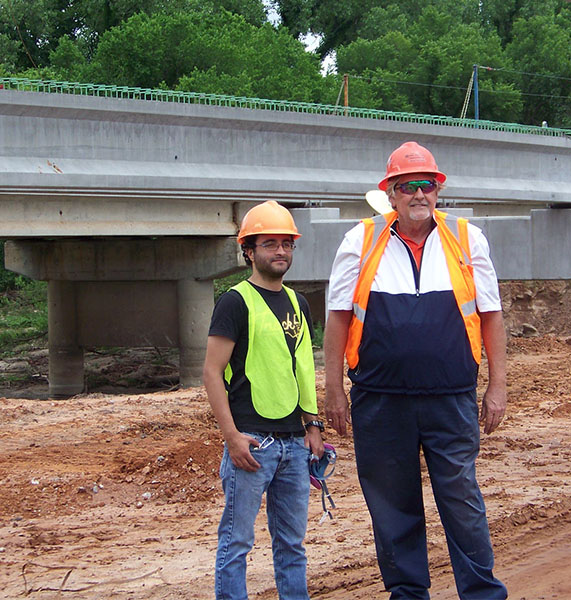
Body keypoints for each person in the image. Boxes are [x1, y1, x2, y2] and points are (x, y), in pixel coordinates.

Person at [324, 141, 508, 599]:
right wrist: (332, 390)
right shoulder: (361, 240)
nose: (418, 194)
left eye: (426, 185)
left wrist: (498, 386)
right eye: (407, 187)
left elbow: (492, 316)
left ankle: (482, 592)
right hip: (380, 400)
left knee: (461, 500)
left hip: (451, 398)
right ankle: (408, 594)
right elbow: (337, 317)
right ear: (390, 193)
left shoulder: (468, 238)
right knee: (392, 507)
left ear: (438, 191)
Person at [203, 200, 325, 600]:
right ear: (249, 251)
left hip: (294, 444)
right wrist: (232, 436)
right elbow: (211, 372)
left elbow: (304, 368)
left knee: (292, 546)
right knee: (236, 543)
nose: (281, 251)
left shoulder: (298, 303)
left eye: (287, 244)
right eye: (270, 243)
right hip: (253, 444)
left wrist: (313, 427)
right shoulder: (235, 302)